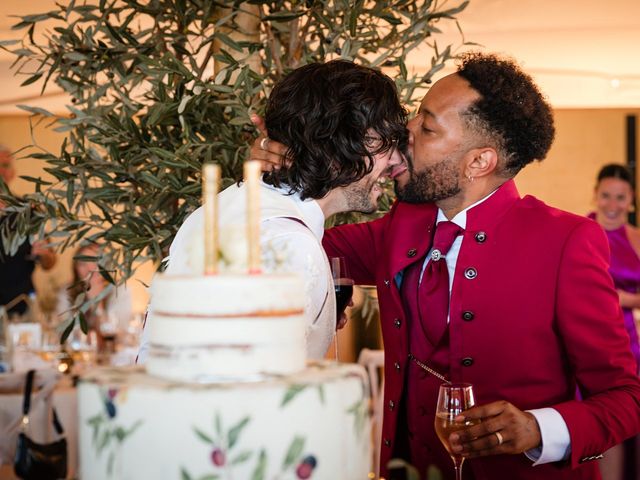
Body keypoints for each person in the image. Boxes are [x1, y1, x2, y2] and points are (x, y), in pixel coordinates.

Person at [253, 53, 640, 479]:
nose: (405, 132)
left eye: (428, 126)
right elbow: (295, 247)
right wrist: (276, 179)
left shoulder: (567, 242)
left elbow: (625, 396)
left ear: (479, 161)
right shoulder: (402, 224)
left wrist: (537, 428)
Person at [137, 60, 407, 363]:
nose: (396, 160)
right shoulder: (291, 246)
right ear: (341, 145)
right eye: (387, 142)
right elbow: (256, 396)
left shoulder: (227, 206)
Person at [589, 163, 640, 480]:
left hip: (634, 342)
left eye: (620, 197)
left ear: (631, 200)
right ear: (595, 195)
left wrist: (627, 299)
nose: (612, 204)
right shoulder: (580, 231)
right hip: (594, 339)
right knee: (606, 421)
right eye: (606, 195)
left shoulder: (636, 238)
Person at [0, 147, 57, 315]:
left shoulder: (29, 210)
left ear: (13, 172)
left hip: (22, 307)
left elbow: (50, 262)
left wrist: (44, 254)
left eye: (4, 165)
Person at [56, 243, 132, 346]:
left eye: (96, 261)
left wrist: (96, 302)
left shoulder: (120, 290)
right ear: (76, 269)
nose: (90, 269)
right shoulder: (67, 292)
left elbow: (117, 332)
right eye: (83, 264)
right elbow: (66, 333)